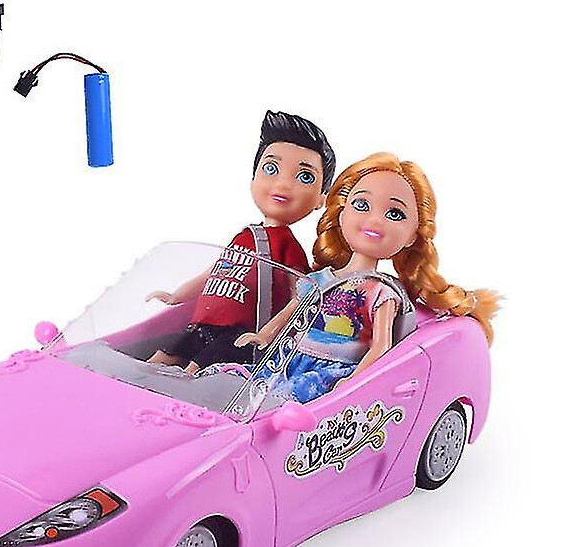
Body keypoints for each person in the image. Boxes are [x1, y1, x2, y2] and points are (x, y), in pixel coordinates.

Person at [236, 153, 500, 402]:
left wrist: (353, 381)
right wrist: (264, 336)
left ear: (412, 235)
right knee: (244, 393)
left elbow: (380, 346)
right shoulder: (320, 279)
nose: (375, 220)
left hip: (329, 374)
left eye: (394, 214)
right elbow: (290, 313)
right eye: (362, 205)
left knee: (284, 410)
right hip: (288, 359)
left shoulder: (382, 292)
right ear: (342, 214)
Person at [147, 110, 336, 374]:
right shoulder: (244, 236)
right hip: (203, 327)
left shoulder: (287, 246)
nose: (282, 184)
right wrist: (176, 296)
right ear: (253, 178)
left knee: (192, 372)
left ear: (321, 199)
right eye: (271, 169)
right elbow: (214, 272)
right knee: (162, 357)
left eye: (304, 177)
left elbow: (300, 297)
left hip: (239, 335)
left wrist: (267, 334)